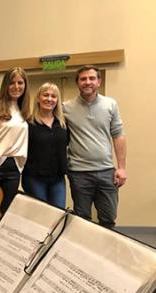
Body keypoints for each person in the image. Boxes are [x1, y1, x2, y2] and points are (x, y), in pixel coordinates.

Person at [63, 65, 127, 228]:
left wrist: (121, 168)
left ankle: (106, 253)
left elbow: (118, 135)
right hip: (79, 173)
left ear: (99, 81)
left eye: (92, 78)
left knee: (108, 219)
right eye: (83, 79)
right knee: (82, 220)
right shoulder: (66, 108)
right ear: (77, 83)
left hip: (106, 172)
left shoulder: (110, 104)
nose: (87, 82)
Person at [0, 67, 31, 213]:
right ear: (5, 85)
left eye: (20, 83)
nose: (16, 87)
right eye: (12, 82)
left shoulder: (23, 110)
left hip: (14, 167)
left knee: (6, 211)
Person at [22, 82, 69, 207]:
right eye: (45, 95)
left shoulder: (63, 123)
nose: (49, 99)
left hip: (57, 178)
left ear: (57, 100)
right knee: (40, 216)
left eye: (53, 96)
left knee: (59, 214)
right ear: (38, 98)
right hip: (34, 178)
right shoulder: (28, 124)